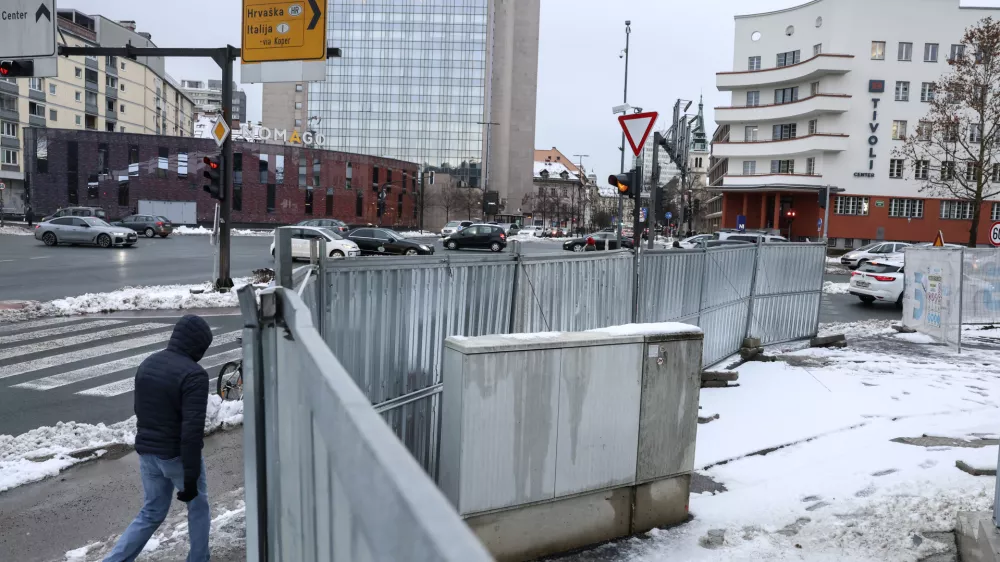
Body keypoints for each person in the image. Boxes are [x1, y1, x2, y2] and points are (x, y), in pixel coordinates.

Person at [105, 315, 213, 562]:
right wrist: (190, 477)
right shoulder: (194, 375)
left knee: (151, 512)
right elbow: (192, 431)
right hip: (176, 456)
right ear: (197, 345)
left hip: (147, 454)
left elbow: (140, 409)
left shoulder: (149, 363)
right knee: (198, 507)